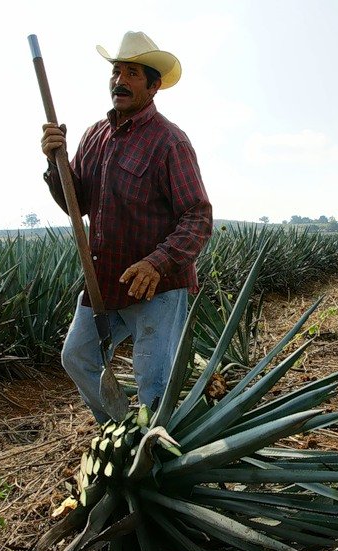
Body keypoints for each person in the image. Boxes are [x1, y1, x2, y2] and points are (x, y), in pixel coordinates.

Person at [41, 31, 212, 422]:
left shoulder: (169, 142)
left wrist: (157, 262)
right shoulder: (94, 136)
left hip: (158, 285)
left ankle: (155, 454)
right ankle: (119, 433)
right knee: (78, 357)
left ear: (154, 86)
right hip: (106, 280)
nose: (120, 80)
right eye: (117, 72)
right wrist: (57, 163)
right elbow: (77, 203)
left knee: (153, 382)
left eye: (133, 73)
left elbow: (198, 215)